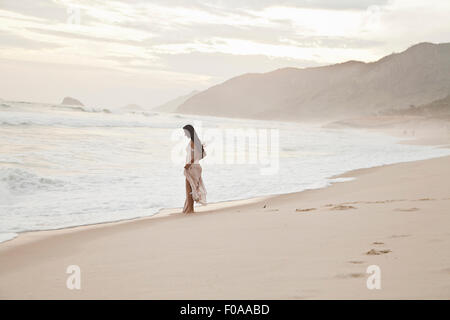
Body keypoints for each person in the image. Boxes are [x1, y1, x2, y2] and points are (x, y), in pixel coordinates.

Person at [182, 124, 207, 213]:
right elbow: (202, 155)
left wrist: (189, 164)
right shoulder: (197, 141)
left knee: (189, 188)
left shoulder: (193, 142)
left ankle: (190, 210)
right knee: (192, 188)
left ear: (189, 132)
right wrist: (194, 161)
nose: (185, 134)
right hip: (197, 166)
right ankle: (189, 209)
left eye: (185, 132)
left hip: (192, 167)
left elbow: (193, 155)